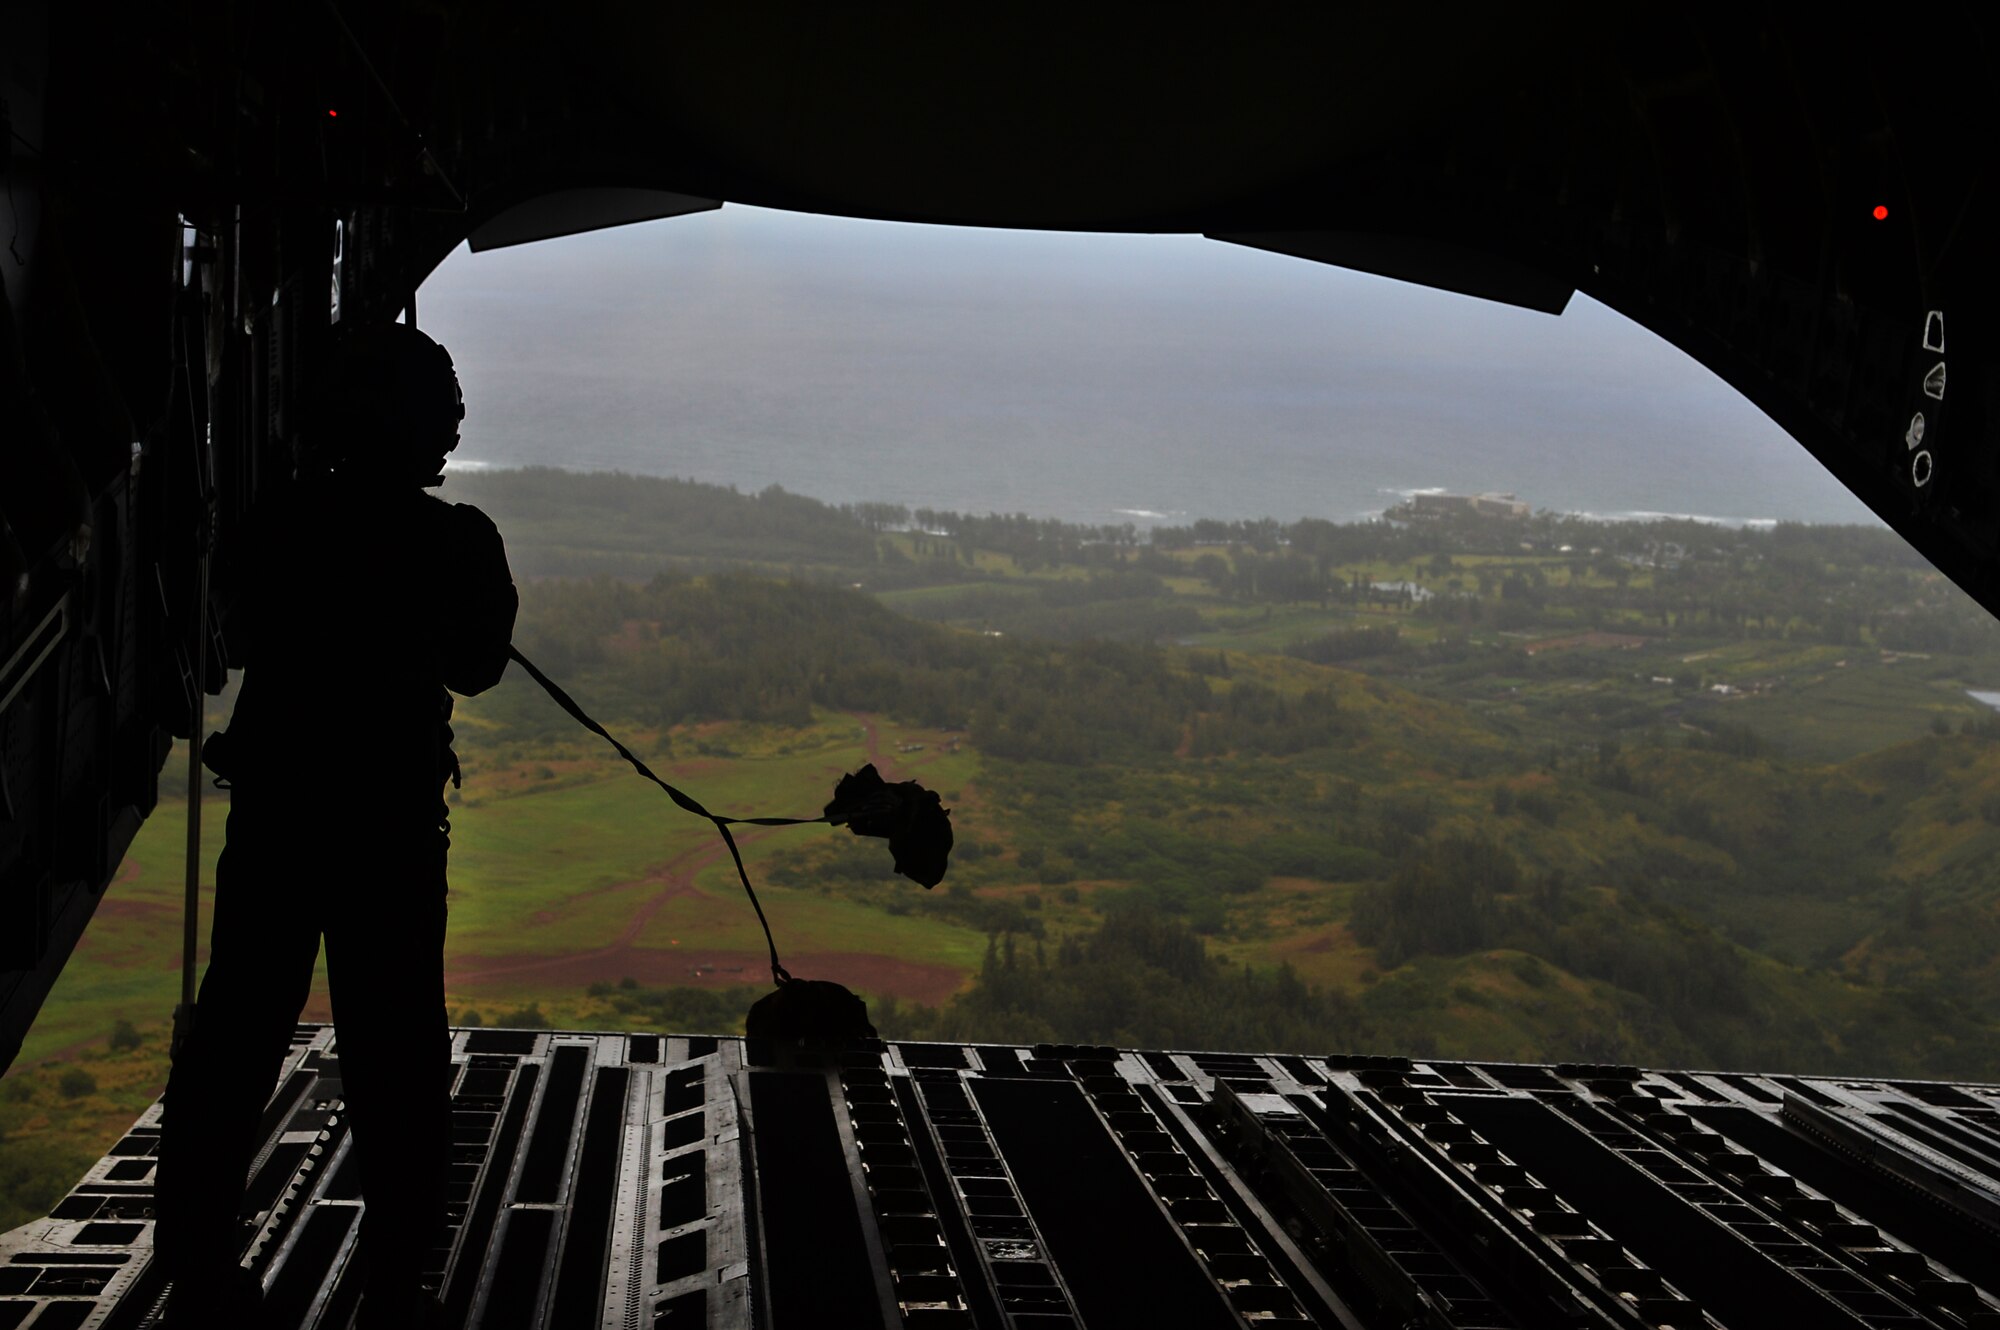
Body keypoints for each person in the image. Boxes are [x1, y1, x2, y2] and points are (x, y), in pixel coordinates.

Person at [156, 322, 517, 1329]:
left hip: (280, 817)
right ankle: (396, 1284)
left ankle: (194, 1267)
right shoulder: (452, 540)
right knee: (396, 1050)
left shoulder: (279, 521)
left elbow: (231, 626)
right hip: (388, 831)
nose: (451, 427)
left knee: (235, 1034)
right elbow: (479, 664)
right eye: (439, 413)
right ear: (403, 422)